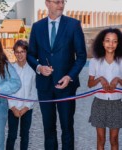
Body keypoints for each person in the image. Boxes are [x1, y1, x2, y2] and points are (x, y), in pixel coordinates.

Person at [27, 0, 87, 149]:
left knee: (67, 128)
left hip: (66, 86)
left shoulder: (73, 25)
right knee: (48, 129)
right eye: (57, 2)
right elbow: (30, 55)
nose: (61, 5)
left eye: (63, 1)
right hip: (44, 87)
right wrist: (39, 67)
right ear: (47, 3)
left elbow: (81, 56)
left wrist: (69, 76)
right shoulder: (37, 26)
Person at [88, 28, 122, 150]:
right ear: (102, 42)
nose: (111, 44)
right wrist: (100, 79)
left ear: (118, 43)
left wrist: (118, 79)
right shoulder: (94, 61)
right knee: (100, 139)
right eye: (107, 41)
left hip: (116, 104)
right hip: (99, 103)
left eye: (114, 41)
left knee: (114, 139)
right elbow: (90, 84)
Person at [6, 40, 38, 150]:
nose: (20, 55)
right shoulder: (10, 69)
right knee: (12, 135)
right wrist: (13, 107)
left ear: (26, 53)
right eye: (17, 52)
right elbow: (8, 90)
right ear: (14, 53)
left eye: (22, 52)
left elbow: (34, 91)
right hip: (13, 108)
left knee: (25, 135)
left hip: (27, 108)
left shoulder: (33, 70)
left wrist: (26, 107)